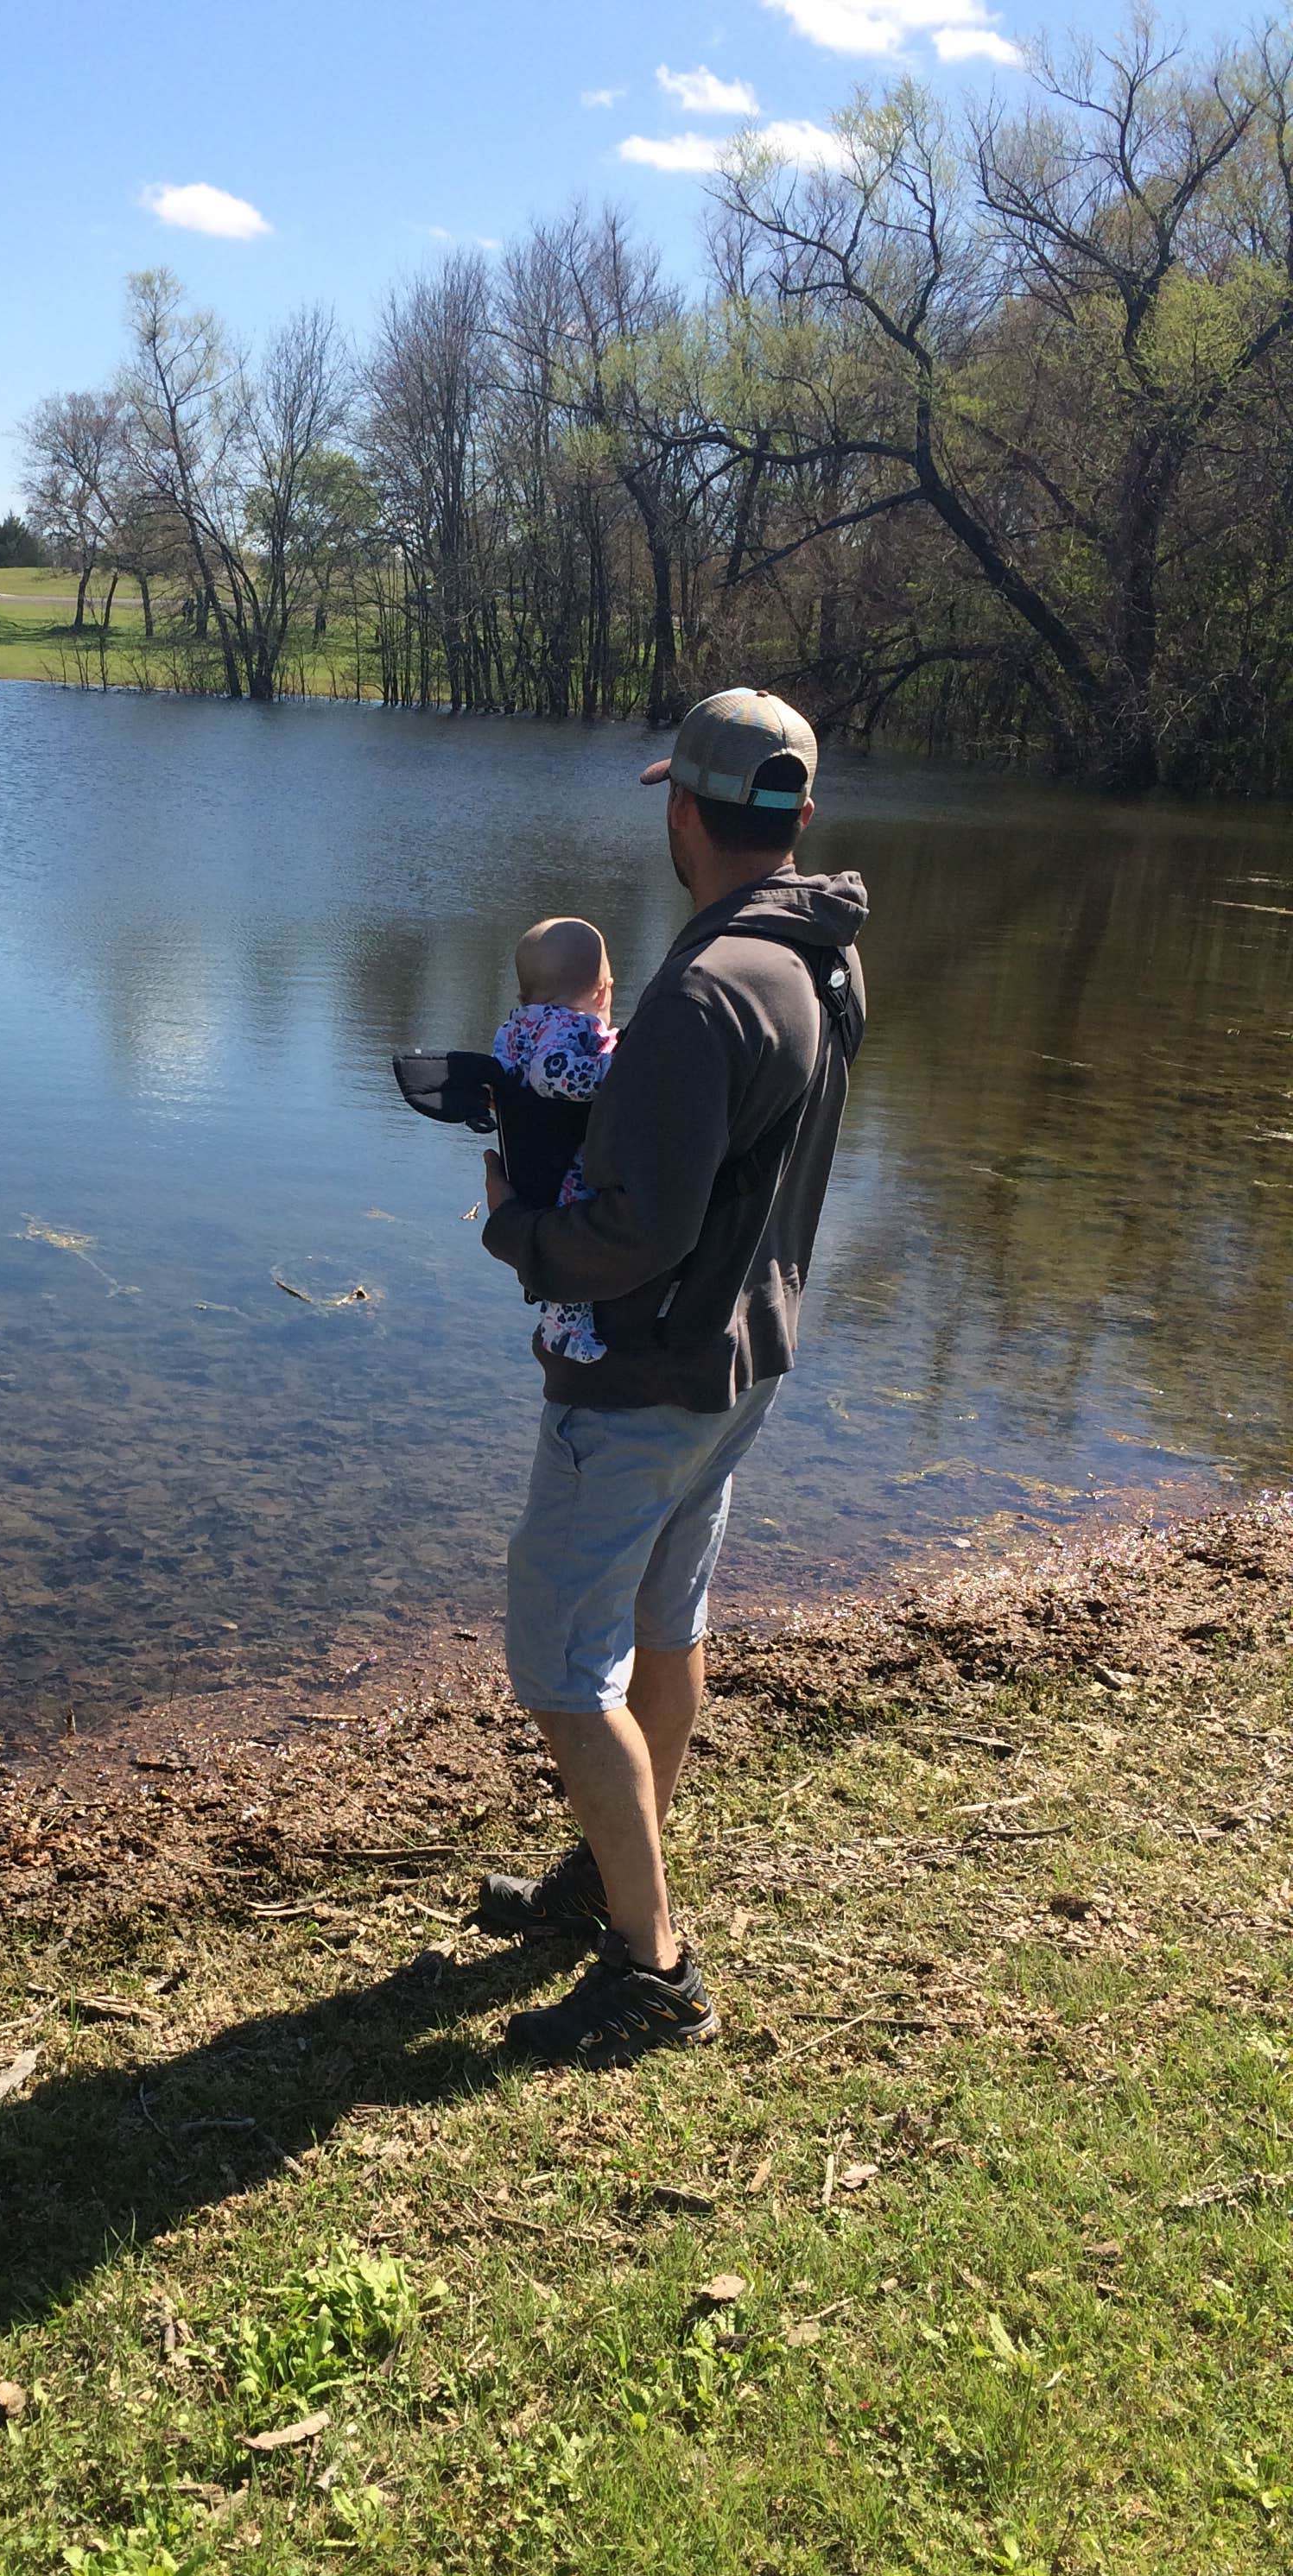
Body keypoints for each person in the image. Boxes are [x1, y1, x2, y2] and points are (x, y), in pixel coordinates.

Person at [475, 688, 868, 2068]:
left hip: (644, 1376)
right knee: (667, 1618)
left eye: (670, 802)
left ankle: (653, 1972)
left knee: (563, 1671)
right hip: (744, 1360)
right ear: (798, 816)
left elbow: (635, 1229)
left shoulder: (703, 991)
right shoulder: (820, 954)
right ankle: (611, 1873)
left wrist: (514, 1227)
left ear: (683, 813)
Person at [491, 916, 618, 1364]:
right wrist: (611, 1073)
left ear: (524, 994)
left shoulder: (517, 1026)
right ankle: (564, 1329)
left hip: (528, 1155)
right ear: (603, 991)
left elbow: (504, 1078)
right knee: (576, 1238)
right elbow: (551, 1073)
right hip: (566, 1162)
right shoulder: (571, 1025)